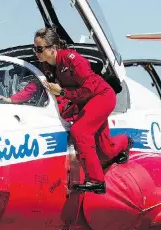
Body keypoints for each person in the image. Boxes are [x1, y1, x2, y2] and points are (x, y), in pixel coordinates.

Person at [33, 27, 133, 194]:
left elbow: (89, 90)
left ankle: (96, 181)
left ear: (53, 48)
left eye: (39, 49)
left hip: (101, 97)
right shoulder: (47, 66)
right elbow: (37, 86)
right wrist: (11, 99)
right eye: (34, 49)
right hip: (86, 102)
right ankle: (125, 143)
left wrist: (63, 92)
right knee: (105, 151)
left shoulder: (74, 60)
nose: (36, 52)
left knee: (80, 130)